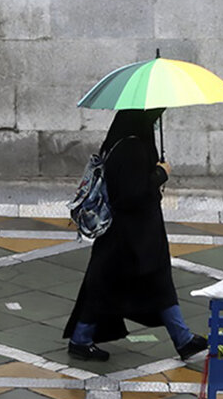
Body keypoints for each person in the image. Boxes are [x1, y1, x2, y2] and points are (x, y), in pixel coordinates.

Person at [63, 108, 207, 362]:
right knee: (113, 287)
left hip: (131, 236)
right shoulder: (131, 149)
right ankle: (81, 339)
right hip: (132, 237)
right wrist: (160, 174)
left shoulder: (122, 142)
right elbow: (131, 195)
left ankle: (182, 339)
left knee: (151, 285)